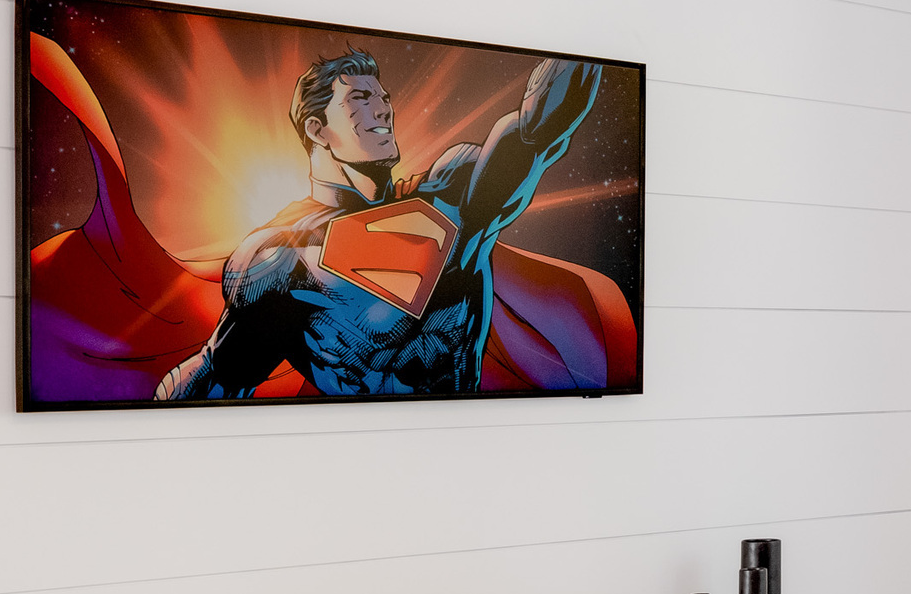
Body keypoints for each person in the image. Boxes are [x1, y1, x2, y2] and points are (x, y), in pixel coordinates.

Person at [155, 49, 604, 400]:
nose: (385, 110)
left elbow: (534, 134)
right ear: (317, 130)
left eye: (384, 98)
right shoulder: (275, 260)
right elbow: (212, 377)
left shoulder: (450, 192)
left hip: (468, 439)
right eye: (360, 99)